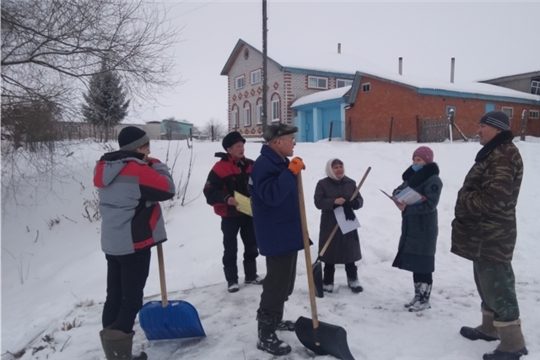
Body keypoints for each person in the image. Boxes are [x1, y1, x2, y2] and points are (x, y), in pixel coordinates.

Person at [94, 126, 175, 360]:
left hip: (112, 242)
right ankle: (120, 355)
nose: (149, 151)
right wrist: (157, 165)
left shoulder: (104, 167)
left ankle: (114, 353)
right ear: (140, 148)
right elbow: (167, 189)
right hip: (134, 243)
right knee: (131, 299)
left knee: (114, 296)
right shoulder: (137, 169)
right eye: (147, 146)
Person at [451, 111, 527, 360]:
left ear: (496, 128)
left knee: (499, 286)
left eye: (482, 125)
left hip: (493, 235)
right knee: (485, 283)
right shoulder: (494, 152)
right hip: (482, 234)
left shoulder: (504, 155)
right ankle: (490, 328)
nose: (477, 129)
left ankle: (513, 344)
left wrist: (464, 198)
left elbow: (495, 200)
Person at [249, 123, 305, 356]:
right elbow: (272, 195)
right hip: (276, 234)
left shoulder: (278, 162)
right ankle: (265, 334)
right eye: (290, 138)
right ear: (277, 142)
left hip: (287, 231)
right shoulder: (264, 165)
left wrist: (289, 170)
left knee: (286, 282)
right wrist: (290, 172)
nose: (294, 142)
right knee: (276, 284)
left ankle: (276, 320)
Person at [203, 131, 263, 293]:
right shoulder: (219, 168)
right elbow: (209, 191)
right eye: (238, 146)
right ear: (229, 149)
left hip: (249, 213)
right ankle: (232, 280)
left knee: (251, 244)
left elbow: (260, 184)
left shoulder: (251, 164)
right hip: (229, 215)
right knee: (230, 247)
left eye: (242, 145)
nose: (241, 148)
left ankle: (251, 275)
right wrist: (226, 198)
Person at [391, 146, 442, 312]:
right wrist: (398, 197)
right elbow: (398, 190)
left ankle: (424, 298)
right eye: (414, 159)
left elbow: (430, 205)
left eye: (419, 160)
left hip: (425, 228)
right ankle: (417, 295)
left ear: (427, 161)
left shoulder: (433, 180)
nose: (415, 163)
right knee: (415, 262)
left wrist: (407, 208)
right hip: (411, 226)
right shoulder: (412, 177)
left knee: (424, 264)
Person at [314, 158, 364, 294]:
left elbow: (360, 200)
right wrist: (334, 201)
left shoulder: (350, 183)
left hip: (348, 220)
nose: (339, 170)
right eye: (335, 167)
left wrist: (355, 204)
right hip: (330, 222)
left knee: (349, 252)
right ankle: (328, 281)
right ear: (330, 169)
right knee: (330, 251)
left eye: (341, 167)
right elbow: (318, 202)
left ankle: (353, 279)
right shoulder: (323, 184)